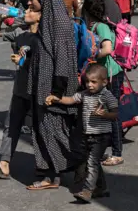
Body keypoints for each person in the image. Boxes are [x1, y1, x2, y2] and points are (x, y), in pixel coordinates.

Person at [25, 0, 81, 191]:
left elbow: (63, 57)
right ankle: (52, 174)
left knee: (53, 131)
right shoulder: (48, 19)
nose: (30, 3)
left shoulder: (58, 22)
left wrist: (56, 91)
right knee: (46, 130)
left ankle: (79, 165)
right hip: (44, 85)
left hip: (52, 87)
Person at [46, 63, 118, 203]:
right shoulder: (84, 94)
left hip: (101, 136)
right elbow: (71, 99)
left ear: (104, 82)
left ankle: (87, 191)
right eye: (87, 82)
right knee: (94, 162)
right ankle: (102, 188)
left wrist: (105, 114)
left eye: (93, 82)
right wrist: (57, 98)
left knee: (91, 163)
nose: (89, 85)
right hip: (88, 135)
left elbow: (115, 114)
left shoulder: (106, 95)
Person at [0, 7, 40, 179]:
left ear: (40, 16)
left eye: (32, 9)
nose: (27, 11)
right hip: (20, 89)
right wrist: (2, 17)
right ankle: (4, 164)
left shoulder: (43, 37)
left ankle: (45, 166)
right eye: (26, 8)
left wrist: (24, 61)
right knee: (11, 125)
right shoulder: (20, 33)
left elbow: (44, 63)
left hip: (37, 90)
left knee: (39, 128)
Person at [82, 0, 125, 167]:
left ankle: (117, 153)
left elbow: (106, 49)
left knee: (112, 114)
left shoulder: (101, 27)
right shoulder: (95, 26)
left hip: (111, 75)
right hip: (104, 75)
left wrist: (91, 57)